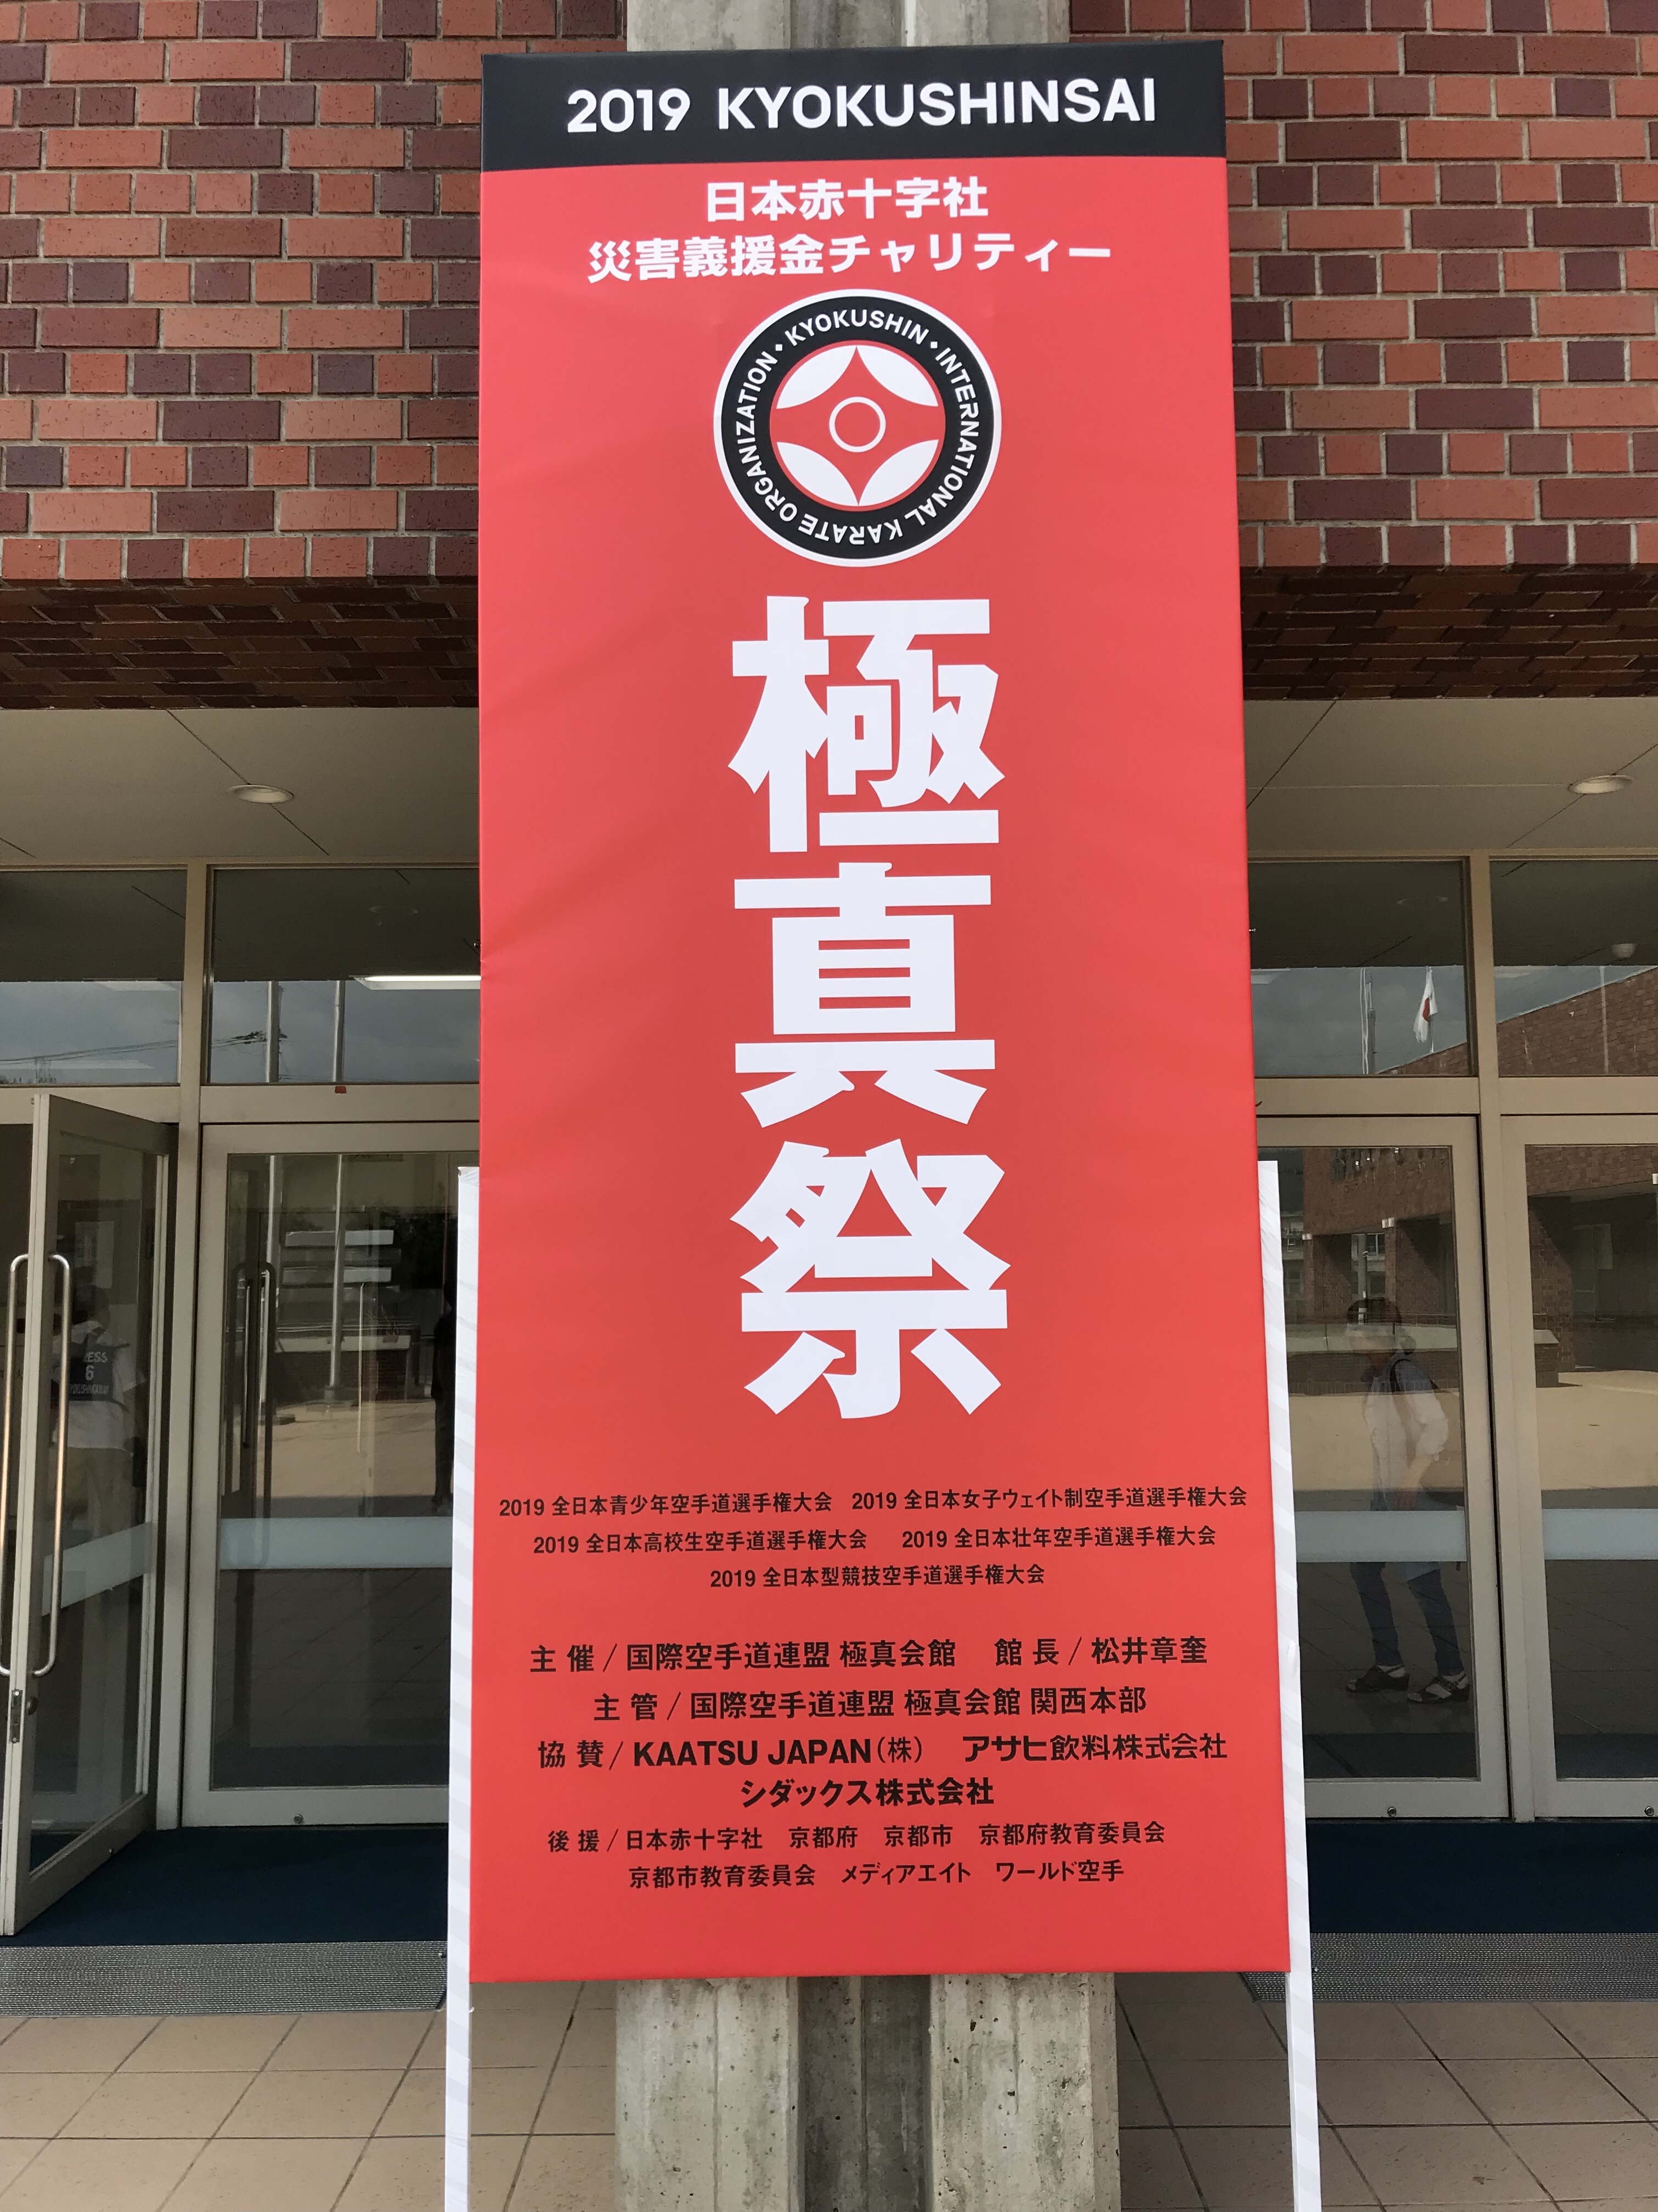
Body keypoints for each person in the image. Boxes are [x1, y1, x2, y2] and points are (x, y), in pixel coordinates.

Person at [1344, 1296, 1469, 1706]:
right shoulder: (1375, 1376)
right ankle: (1390, 1665)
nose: (1351, 1335)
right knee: (1364, 1569)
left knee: (1424, 1585)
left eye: (1359, 1328)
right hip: (1388, 1498)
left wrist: (1413, 1477)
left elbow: (1437, 1425)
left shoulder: (1405, 1372)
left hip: (1413, 1498)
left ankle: (1453, 1674)